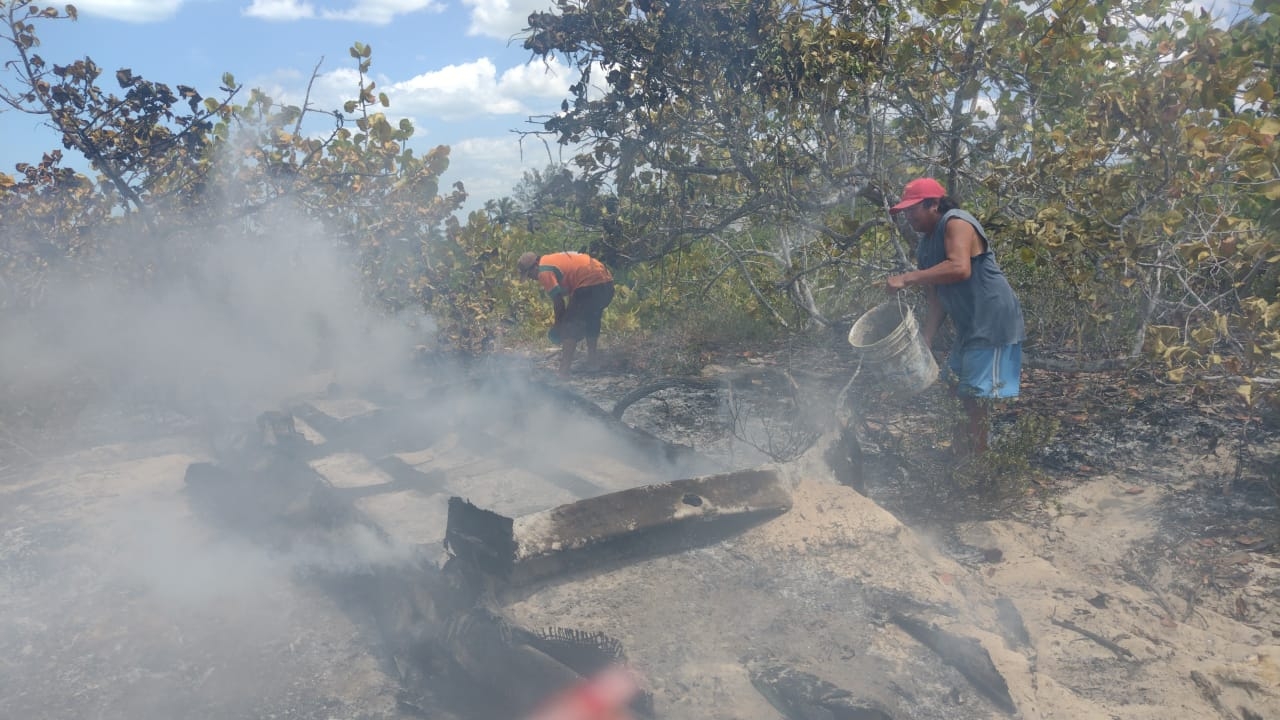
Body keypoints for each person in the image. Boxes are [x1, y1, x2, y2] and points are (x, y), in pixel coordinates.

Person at [884, 178, 1025, 457]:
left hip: (993, 322)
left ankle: (976, 466)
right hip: (969, 327)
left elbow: (960, 268)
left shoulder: (957, 222)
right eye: (905, 211)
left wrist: (907, 277)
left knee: (974, 399)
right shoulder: (925, 245)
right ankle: (962, 454)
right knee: (952, 388)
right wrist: (926, 338)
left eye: (913, 210)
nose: (908, 217)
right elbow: (936, 296)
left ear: (933, 204)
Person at [517, 250, 616, 377]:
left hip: (589, 283)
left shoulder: (544, 271)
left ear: (535, 266)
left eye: (530, 275)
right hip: (606, 282)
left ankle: (563, 371)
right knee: (593, 317)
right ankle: (592, 363)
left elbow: (559, 303)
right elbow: (573, 296)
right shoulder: (553, 260)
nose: (533, 279)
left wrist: (559, 325)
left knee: (569, 325)